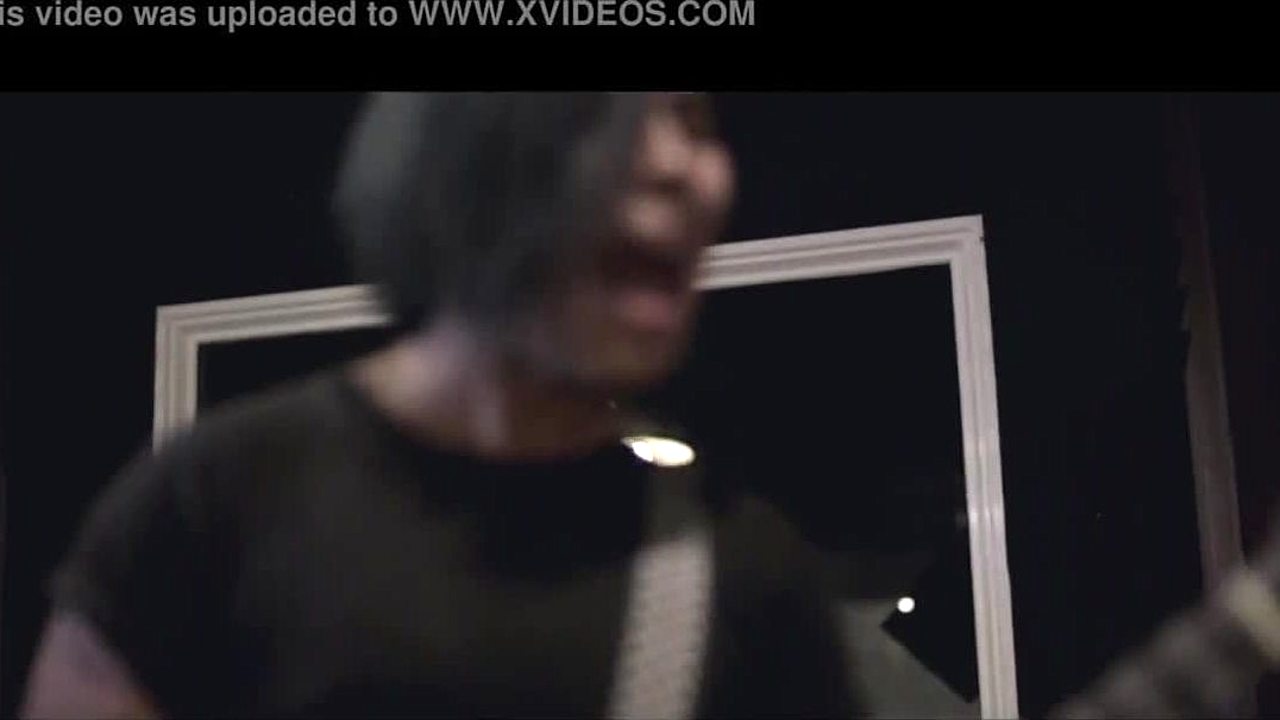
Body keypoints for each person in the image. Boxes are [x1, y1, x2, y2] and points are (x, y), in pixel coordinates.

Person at [20, 92, 858, 718]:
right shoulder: (211, 504)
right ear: (464, 154)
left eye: (693, 120)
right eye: (606, 114)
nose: (681, 166)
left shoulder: (743, 570)